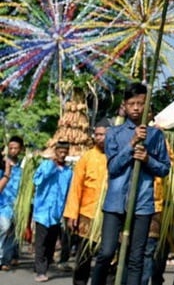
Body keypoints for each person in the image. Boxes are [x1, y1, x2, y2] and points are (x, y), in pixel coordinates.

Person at [91, 82, 172, 285]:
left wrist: (147, 160)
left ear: (147, 106)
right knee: (107, 251)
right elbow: (113, 167)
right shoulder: (114, 133)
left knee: (137, 258)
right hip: (115, 203)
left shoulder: (156, 135)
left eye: (141, 103)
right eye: (132, 103)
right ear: (124, 106)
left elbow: (164, 169)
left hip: (143, 204)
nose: (136, 108)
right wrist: (132, 144)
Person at [64, 119, 111, 285]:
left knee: (108, 257)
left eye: (102, 135)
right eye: (96, 134)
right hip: (86, 214)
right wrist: (72, 214)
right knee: (83, 257)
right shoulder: (87, 157)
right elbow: (76, 187)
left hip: (109, 215)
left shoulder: (117, 156)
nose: (99, 138)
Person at [32, 140, 73, 282]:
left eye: (64, 152)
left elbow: (68, 192)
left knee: (51, 243)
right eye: (60, 152)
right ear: (55, 152)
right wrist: (51, 166)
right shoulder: (46, 165)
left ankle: (43, 264)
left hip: (57, 213)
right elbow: (37, 181)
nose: (62, 155)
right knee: (41, 242)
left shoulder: (68, 172)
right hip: (43, 211)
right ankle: (40, 271)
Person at [0, 135, 25, 271]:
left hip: (17, 205)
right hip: (2, 204)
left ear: (20, 150)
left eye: (16, 148)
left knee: (12, 234)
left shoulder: (23, 167)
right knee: (4, 227)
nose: (13, 151)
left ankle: (6, 260)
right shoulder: (2, 164)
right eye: (11, 148)